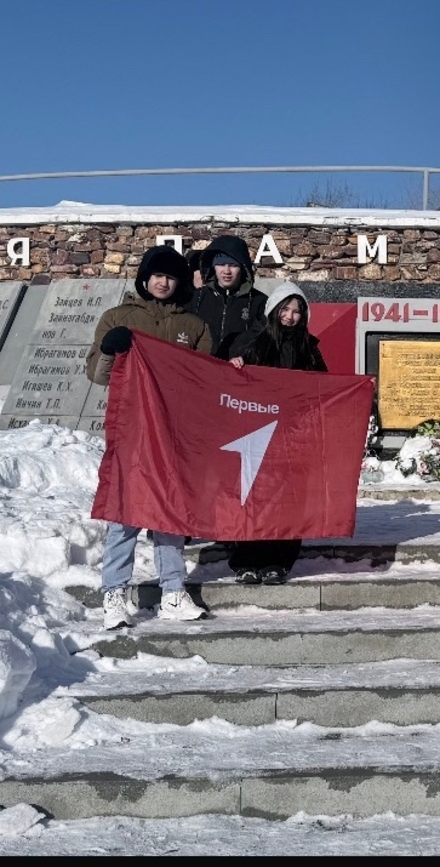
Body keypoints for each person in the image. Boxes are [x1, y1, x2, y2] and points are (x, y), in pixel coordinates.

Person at [87, 245, 214, 629]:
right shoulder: (117, 317)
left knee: (171, 514)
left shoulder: (194, 327)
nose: (163, 282)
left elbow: (206, 380)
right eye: (157, 275)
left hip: (175, 434)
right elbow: (96, 372)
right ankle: (114, 594)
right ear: (145, 278)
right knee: (125, 515)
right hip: (132, 433)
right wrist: (111, 350)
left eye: (170, 276)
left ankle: (173, 592)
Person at [223, 281, 327, 585]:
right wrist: (233, 367)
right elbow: (225, 383)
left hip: (291, 437)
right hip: (253, 435)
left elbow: (323, 387)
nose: (291, 316)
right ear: (274, 309)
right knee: (252, 498)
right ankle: (245, 560)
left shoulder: (308, 347)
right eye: (286, 308)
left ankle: (278, 561)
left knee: (287, 501)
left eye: (297, 311)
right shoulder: (248, 341)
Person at [191, 235, 267, 360]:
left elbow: (264, 343)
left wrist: (245, 357)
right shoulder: (196, 298)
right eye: (221, 264)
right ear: (213, 267)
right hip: (201, 370)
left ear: (242, 268)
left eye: (233, 265)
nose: (226, 271)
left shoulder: (259, 302)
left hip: (240, 372)